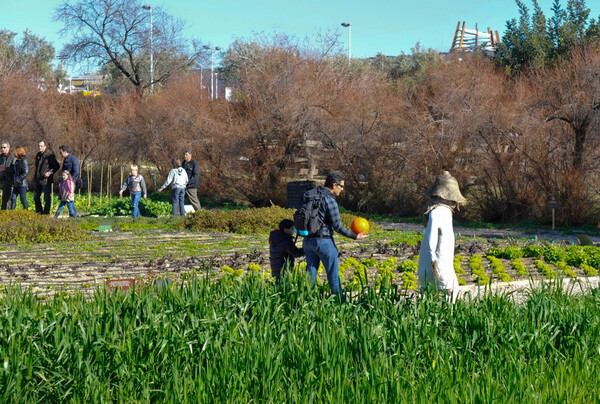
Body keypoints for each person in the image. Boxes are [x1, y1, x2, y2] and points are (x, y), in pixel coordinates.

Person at [303, 171, 368, 296]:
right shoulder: (329, 199)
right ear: (334, 185)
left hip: (307, 241)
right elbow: (337, 226)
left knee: (310, 274)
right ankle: (339, 302)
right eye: (341, 186)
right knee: (333, 274)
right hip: (324, 242)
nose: (342, 189)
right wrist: (355, 236)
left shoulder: (310, 195)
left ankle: (303, 300)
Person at [418, 171, 467, 304]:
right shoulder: (439, 212)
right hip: (437, 266)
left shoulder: (439, 211)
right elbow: (431, 241)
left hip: (437, 265)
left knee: (436, 296)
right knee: (448, 295)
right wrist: (435, 262)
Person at [269, 219, 304, 284]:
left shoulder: (275, 238)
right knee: (284, 287)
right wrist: (306, 249)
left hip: (275, 268)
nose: (293, 231)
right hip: (284, 269)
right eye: (292, 229)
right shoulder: (286, 241)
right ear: (285, 230)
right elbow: (296, 253)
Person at [33, 140, 60, 214]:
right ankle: (39, 212)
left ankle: (46, 213)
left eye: (41, 146)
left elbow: (56, 166)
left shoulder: (49, 155)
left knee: (46, 198)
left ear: (45, 146)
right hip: (38, 180)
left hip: (46, 180)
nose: (39, 147)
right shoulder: (38, 155)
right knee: (36, 197)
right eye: (38, 146)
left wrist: (49, 172)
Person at [10, 146, 28, 210]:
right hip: (16, 184)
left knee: (23, 199)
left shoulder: (23, 161)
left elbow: (25, 172)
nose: (13, 154)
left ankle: (26, 213)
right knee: (13, 198)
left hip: (22, 184)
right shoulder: (17, 161)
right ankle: (11, 213)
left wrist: (18, 179)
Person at [0, 141, 15, 210]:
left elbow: (15, 168)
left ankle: (7, 216)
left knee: (8, 200)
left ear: (8, 148)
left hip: (10, 181)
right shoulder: (0, 157)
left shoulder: (12, 157)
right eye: (1, 147)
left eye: (4, 147)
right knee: (3, 200)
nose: (2, 149)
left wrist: (5, 169)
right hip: (2, 181)